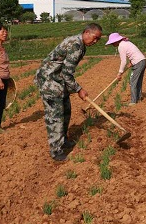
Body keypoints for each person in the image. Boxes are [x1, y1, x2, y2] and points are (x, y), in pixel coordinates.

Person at [35, 23, 103, 162]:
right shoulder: (76, 45)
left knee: (66, 110)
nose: (95, 41)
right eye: (94, 37)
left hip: (59, 80)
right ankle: (56, 150)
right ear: (86, 32)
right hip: (50, 80)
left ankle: (63, 140)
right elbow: (67, 73)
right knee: (55, 115)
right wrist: (79, 89)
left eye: (98, 39)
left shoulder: (80, 44)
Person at [106, 32, 146, 106]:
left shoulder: (121, 46)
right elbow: (134, 53)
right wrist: (131, 62)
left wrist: (120, 73)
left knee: (132, 82)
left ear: (116, 41)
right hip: (143, 61)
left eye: (112, 43)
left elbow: (123, 61)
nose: (112, 44)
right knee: (138, 81)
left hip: (138, 63)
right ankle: (139, 97)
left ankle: (133, 101)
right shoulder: (126, 42)